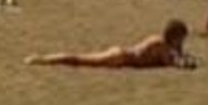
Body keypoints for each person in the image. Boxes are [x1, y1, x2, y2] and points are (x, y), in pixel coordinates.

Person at [26, 19, 194, 69]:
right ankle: (43, 59)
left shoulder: (160, 42)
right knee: (80, 60)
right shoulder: (161, 45)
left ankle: (44, 59)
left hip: (123, 55)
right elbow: (171, 62)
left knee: (81, 59)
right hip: (121, 57)